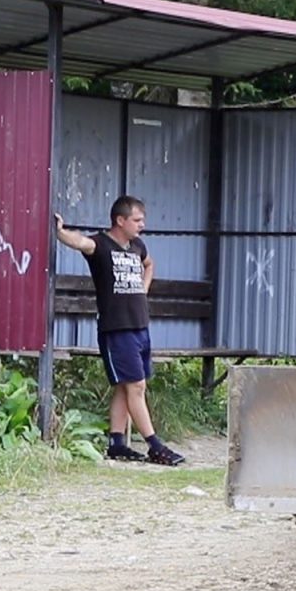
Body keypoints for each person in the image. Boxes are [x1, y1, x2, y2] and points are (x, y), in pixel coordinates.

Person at [54, 196, 185, 466]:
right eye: (137, 220)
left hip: (140, 326)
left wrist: (143, 289)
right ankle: (154, 445)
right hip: (117, 328)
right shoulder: (101, 245)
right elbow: (81, 242)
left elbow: (150, 264)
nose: (142, 225)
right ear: (120, 220)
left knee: (125, 387)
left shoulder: (137, 246)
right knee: (136, 386)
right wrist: (59, 231)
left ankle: (116, 443)